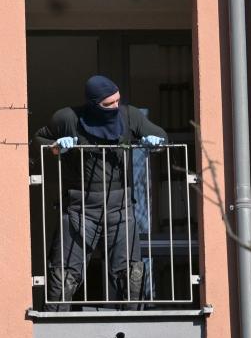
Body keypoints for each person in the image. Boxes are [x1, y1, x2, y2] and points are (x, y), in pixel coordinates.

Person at [33, 75, 167, 311]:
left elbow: (163, 137)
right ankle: (54, 324)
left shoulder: (128, 115)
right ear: (93, 103)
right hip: (79, 206)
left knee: (130, 271)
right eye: (108, 104)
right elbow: (38, 140)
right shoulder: (68, 118)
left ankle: (134, 322)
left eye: (117, 100)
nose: (114, 107)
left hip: (121, 204)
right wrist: (56, 148)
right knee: (65, 272)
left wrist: (155, 143)